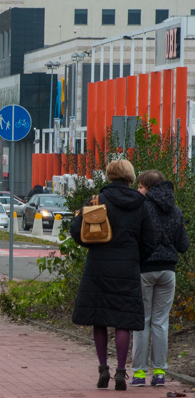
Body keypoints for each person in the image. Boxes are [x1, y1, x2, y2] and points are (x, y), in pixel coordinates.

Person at [70, 159, 155, 391]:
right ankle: (120, 372)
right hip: (127, 268)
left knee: (99, 319)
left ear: (109, 175)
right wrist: (136, 259)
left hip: (98, 266)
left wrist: (92, 246)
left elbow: (76, 230)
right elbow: (150, 240)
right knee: (122, 321)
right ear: (129, 176)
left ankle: (102, 369)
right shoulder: (141, 203)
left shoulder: (96, 200)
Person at [130, 170, 189, 387]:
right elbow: (183, 245)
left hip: (145, 270)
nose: (138, 191)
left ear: (148, 187)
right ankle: (160, 372)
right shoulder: (176, 210)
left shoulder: (141, 208)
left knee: (142, 321)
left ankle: (138, 374)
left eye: (140, 187)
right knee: (161, 322)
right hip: (168, 271)